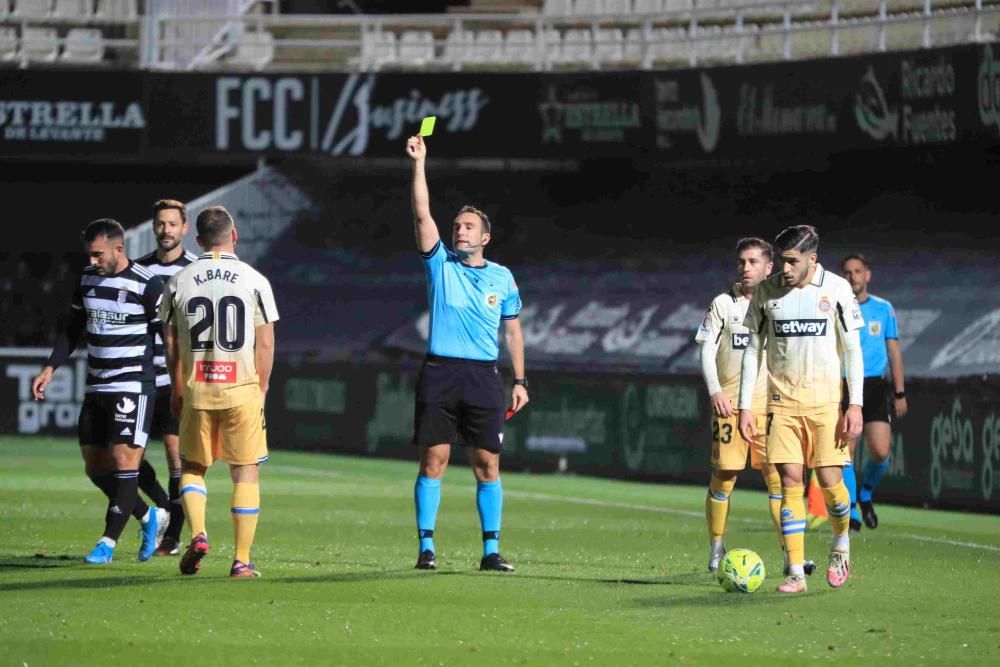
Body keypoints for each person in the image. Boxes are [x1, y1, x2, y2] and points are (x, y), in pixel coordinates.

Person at [405, 133, 528, 573]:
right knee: (434, 460)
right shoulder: (439, 264)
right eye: (456, 226)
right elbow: (422, 212)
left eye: (468, 226)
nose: (459, 231)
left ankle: (491, 551)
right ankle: (426, 548)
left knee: (486, 464)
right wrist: (420, 163)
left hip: (483, 376)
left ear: (486, 237)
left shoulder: (503, 277)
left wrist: (520, 381)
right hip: (440, 372)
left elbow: (512, 333)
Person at [31, 219, 169, 564]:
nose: (93, 260)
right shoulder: (87, 279)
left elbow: (170, 339)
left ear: (119, 249)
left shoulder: (148, 285)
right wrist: (50, 367)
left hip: (133, 385)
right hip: (96, 385)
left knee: (124, 461)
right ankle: (148, 516)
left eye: (98, 254)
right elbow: (73, 329)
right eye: (89, 254)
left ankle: (107, 542)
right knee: (96, 467)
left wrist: (174, 384)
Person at [738, 225, 865, 593]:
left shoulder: (837, 289)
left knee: (830, 484)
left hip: (825, 405)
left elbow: (853, 350)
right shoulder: (767, 292)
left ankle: (841, 542)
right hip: (781, 404)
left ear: (813, 259)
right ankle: (795, 571)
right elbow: (752, 351)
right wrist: (747, 406)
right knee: (790, 481)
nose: (785, 268)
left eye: (793, 261)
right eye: (782, 261)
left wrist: (853, 403)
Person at [159, 206, 278, 578]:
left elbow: (171, 342)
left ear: (197, 240)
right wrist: (262, 388)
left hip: (198, 388)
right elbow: (265, 344)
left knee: (192, 468)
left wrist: (177, 387)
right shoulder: (255, 280)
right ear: (234, 235)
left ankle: (198, 533)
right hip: (241, 388)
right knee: (245, 473)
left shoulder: (179, 280)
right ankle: (241, 560)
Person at [696, 237, 816, 577]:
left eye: (752, 262)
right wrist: (715, 391)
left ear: (769, 268)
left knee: (781, 480)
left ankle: (791, 555)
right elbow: (706, 350)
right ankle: (717, 545)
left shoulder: (784, 304)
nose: (745, 268)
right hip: (731, 406)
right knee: (725, 477)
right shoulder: (723, 303)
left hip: (774, 407)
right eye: (741, 262)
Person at [135, 199, 200, 556]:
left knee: (177, 457)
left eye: (173, 224)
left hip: (177, 380)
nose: (166, 230)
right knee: (127, 459)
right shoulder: (139, 270)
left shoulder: (194, 270)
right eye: (161, 224)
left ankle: (173, 536)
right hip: (141, 379)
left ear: (184, 228)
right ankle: (160, 508)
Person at [840, 253, 907, 530]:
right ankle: (852, 509)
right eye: (847, 272)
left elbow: (893, 350)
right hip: (844, 384)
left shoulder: (883, 308)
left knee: (879, 452)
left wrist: (900, 392)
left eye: (857, 271)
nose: (852, 276)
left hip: (876, 385)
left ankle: (866, 494)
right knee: (846, 452)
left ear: (867, 274)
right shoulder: (836, 307)